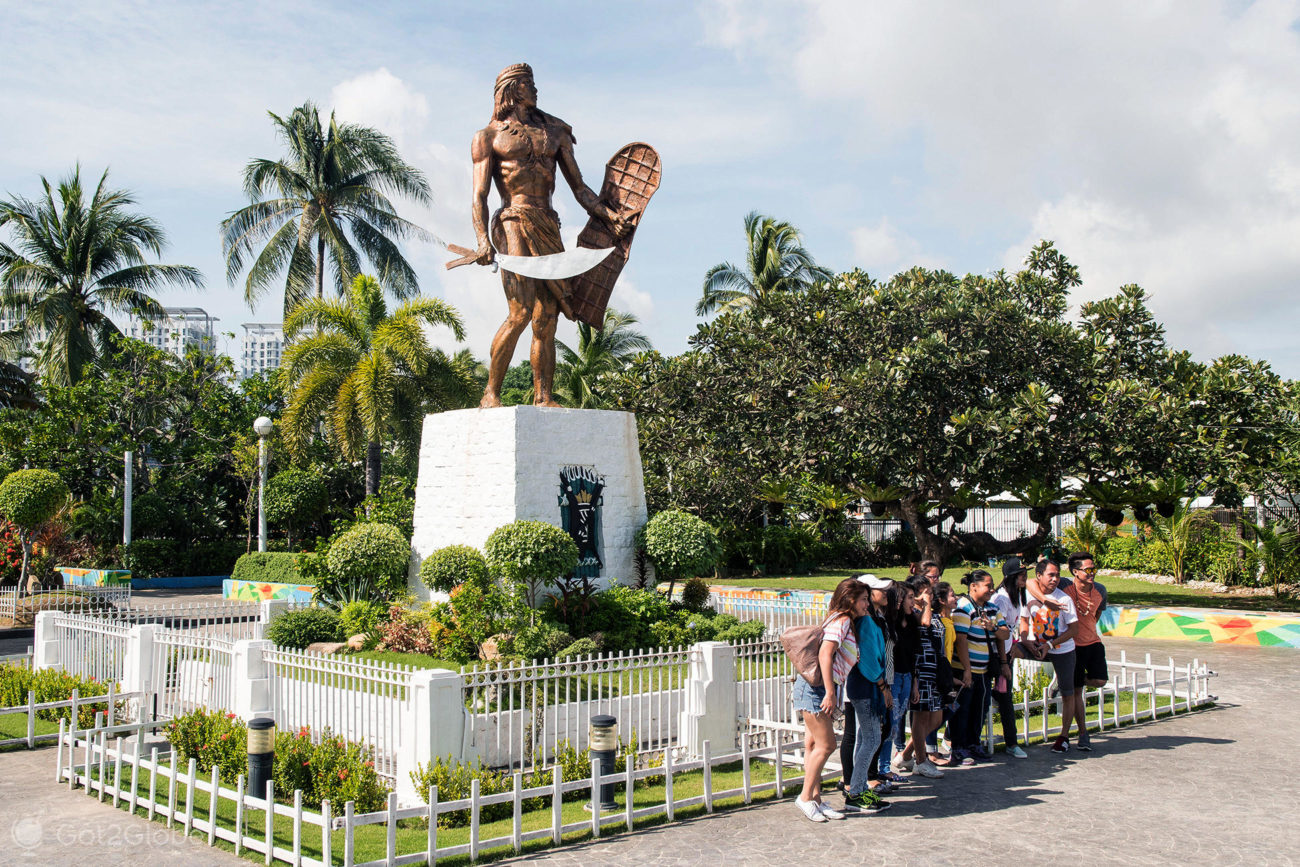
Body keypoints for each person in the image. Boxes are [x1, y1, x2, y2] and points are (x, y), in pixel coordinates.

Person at [470, 63, 630, 408]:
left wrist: (608, 216)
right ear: (511, 90)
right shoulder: (488, 137)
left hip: (548, 224)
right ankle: (491, 393)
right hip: (514, 221)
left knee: (547, 316)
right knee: (520, 311)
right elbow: (479, 196)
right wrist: (483, 239)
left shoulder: (555, 132)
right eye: (528, 84)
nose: (535, 89)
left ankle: (543, 396)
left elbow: (581, 189)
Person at [791, 577, 868, 821]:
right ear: (851, 600)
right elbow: (826, 655)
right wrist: (830, 692)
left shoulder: (840, 619)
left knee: (814, 745)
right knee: (827, 745)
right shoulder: (843, 620)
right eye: (864, 600)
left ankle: (815, 798)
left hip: (818, 688)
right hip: (816, 689)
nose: (867, 604)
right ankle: (805, 798)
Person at [842, 574, 895, 813]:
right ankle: (855, 792)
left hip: (868, 686)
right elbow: (867, 662)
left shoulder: (871, 620)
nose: (866, 603)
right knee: (871, 738)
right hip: (866, 687)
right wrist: (883, 686)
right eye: (863, 598)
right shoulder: (864, 623)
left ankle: (859, 788)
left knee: (867, 738)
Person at [1019, 560, 1079, 754]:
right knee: (1012, 652)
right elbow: (1024, 619)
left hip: (1061, 649)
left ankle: (1064, 737)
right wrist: (1025, 639)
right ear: (1039, 576)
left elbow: (1073, 630)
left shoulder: (1064, 599)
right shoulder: (1029, 596)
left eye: (1057, 575)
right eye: (1050, 575)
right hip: (1037, 646)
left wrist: (1051, 644)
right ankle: (1000, 689)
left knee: (1067, 692)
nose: (1055, 579)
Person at [950, 570, 1008, 765]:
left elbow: (1005, 634)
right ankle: (958, 747)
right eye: (987, 586)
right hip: (965, 669)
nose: (991, 590)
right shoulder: (963, 607)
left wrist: (993, 628)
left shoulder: (991, 608)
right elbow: (961, 640)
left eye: (992, 586)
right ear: (973, 586)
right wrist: (966, 670)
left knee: (980, 709)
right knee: (962, 709)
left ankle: (974, 743)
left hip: (984, 670)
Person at [896, 576, 946, 779]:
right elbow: (924, 624)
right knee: (922, 715)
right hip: (920, 668)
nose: (930, 595)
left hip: (933, 668)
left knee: (936, 717)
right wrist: (924, 604)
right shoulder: (913, 612)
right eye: (925, 591)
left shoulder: (929, 610)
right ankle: (921, 761)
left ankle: (907, 754)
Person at [1061, 551, 1108, 752]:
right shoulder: (1064, 586)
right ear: (1075, 571)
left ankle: (1069, 682)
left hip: (1093, 642)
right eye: (1088, 570)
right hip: (1073, 646)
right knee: (1077, 690)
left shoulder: (1100, 590)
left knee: (1100, 681)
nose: (1092, 573)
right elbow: (1033, 583)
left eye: (1094, 569)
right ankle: (1083, 734)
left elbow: (1096, 615)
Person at [989, 558, 1034, 758]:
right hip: (996, 656)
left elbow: (1012, 630)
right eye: (1021, 575)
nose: (1025, 578)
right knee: (998, 699)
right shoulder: (1002, 599)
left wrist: (1014, 648)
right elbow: (999, 633)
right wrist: (1004, 662)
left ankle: (1011, 742)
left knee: (1005, 698)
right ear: (1011, 577)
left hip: (1007, 653)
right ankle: (1011, 743)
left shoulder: (1017, 597)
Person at [883, 583, 919, 777]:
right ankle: (883, 767)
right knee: (890, 723)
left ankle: (889, 763)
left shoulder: (912, 622)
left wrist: (914, 682)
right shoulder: (890, 623)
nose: (914, 602)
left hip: (906, 677)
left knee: (897, 722)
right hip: (893, 678)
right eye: (910, 597)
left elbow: (914, 655)